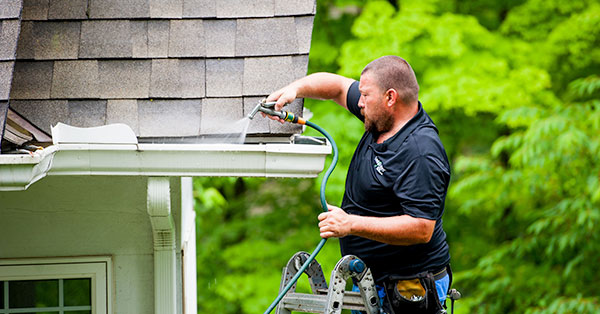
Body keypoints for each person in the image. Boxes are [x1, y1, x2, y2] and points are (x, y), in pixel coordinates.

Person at [266, 56, 451, 314]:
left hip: (408, 288)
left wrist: (350, 224)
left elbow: (422, 228)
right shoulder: (382, 118)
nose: (359, 102)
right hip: (370, 281)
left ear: (390, 98)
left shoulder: (420, 152)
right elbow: (338, 87)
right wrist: (294, 90)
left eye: (365, 95)